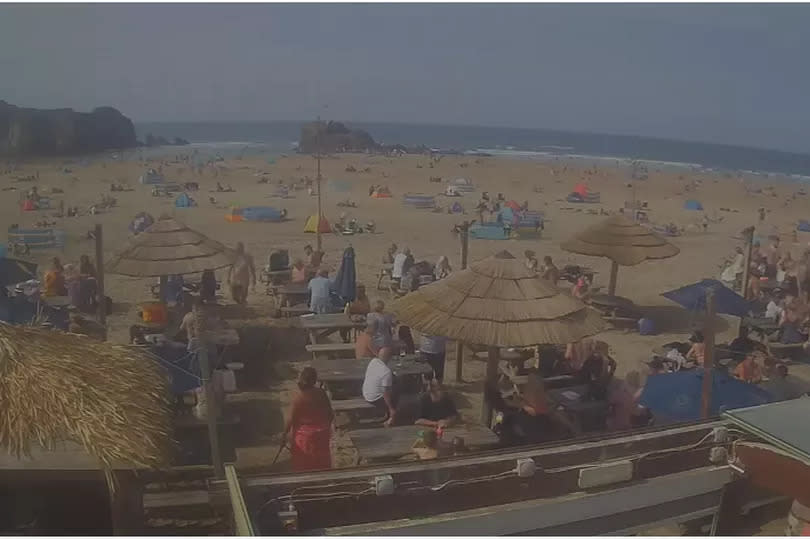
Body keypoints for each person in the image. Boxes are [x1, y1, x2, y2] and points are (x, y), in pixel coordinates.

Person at [284, 367, 334, 472]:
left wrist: (284, 435)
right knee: (322, 463)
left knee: (304, 464)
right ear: (315, 380)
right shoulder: (321, 393)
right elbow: (330, 414)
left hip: (305, 437)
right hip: (322, 432)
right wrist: (326, 428)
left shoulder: (299, 398)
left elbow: (290, 420)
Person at [362, 347, 397, 425]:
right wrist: (391, 408)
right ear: (389, 357)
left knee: (392, 385)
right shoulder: (386, 371)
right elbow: (386, 393)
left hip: (366, 394)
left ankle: (387, 414)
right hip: (375, 399)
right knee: (396, 391)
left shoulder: (373, 361)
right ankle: (391, 418)